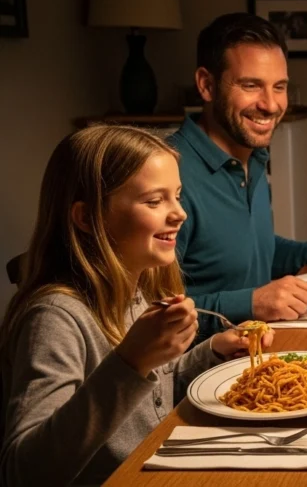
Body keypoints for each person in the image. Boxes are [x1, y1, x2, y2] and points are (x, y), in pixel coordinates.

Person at [0, 126, 275, 485]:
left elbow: (154, 390)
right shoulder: (54, 318)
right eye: (154, 200)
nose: (180, 214)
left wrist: (213, 351)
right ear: (87, 218)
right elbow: (23, 472)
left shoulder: (135, 289)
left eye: (177, 196)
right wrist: (131, 361)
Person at [169, 13, 307, 336]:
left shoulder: (252, 158)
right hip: (196, 373)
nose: (270, 104)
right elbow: (145, 315)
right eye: (251, 85)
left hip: (261, 349)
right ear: (206, 85)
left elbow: (253, 251)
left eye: (279, 87)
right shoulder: (166, 175)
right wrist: (251, 303)